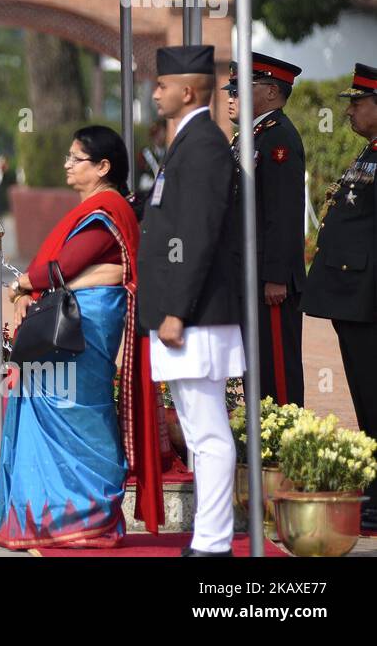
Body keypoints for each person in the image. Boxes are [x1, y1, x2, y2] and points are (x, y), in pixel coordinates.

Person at [0, 125, 164, 549]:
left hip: (86, 322)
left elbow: (62, 266)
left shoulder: (106, 208)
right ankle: (53, 519)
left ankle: (86, 516)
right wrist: (34, 287)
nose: (68, 165)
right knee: (48, 402)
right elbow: (64, 270)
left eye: (77, 158)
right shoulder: (98, 206)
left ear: (103, 167)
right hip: (78, 315)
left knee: (75, 408)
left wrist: (23, 285)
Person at [138, 45, 244, 556]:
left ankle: (214, 540)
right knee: (198, 431)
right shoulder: (188, 142)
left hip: (196, 315)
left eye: (162, 84)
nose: (155, 92)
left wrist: (177, 310)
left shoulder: (203, 145)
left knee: (208, 433)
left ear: (188, 91)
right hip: (185, 314)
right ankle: (209, 535)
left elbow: (197, 236)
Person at [303, 62, 377, 532]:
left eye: (358, 102)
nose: (349, 110)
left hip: (369, 297)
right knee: (365, 398)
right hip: (352, 297)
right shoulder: (368, 153)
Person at [222, 53, 307, 406]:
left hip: (268, 282)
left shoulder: (278, 139)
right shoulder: (250, 137)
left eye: (241, 88)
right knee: (256, 370)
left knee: (277, 374)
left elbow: (284, 212)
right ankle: (263, 447)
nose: (231, 96)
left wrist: (275, 277)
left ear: (271, 92)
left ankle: (284, 443)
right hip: (249, 275)